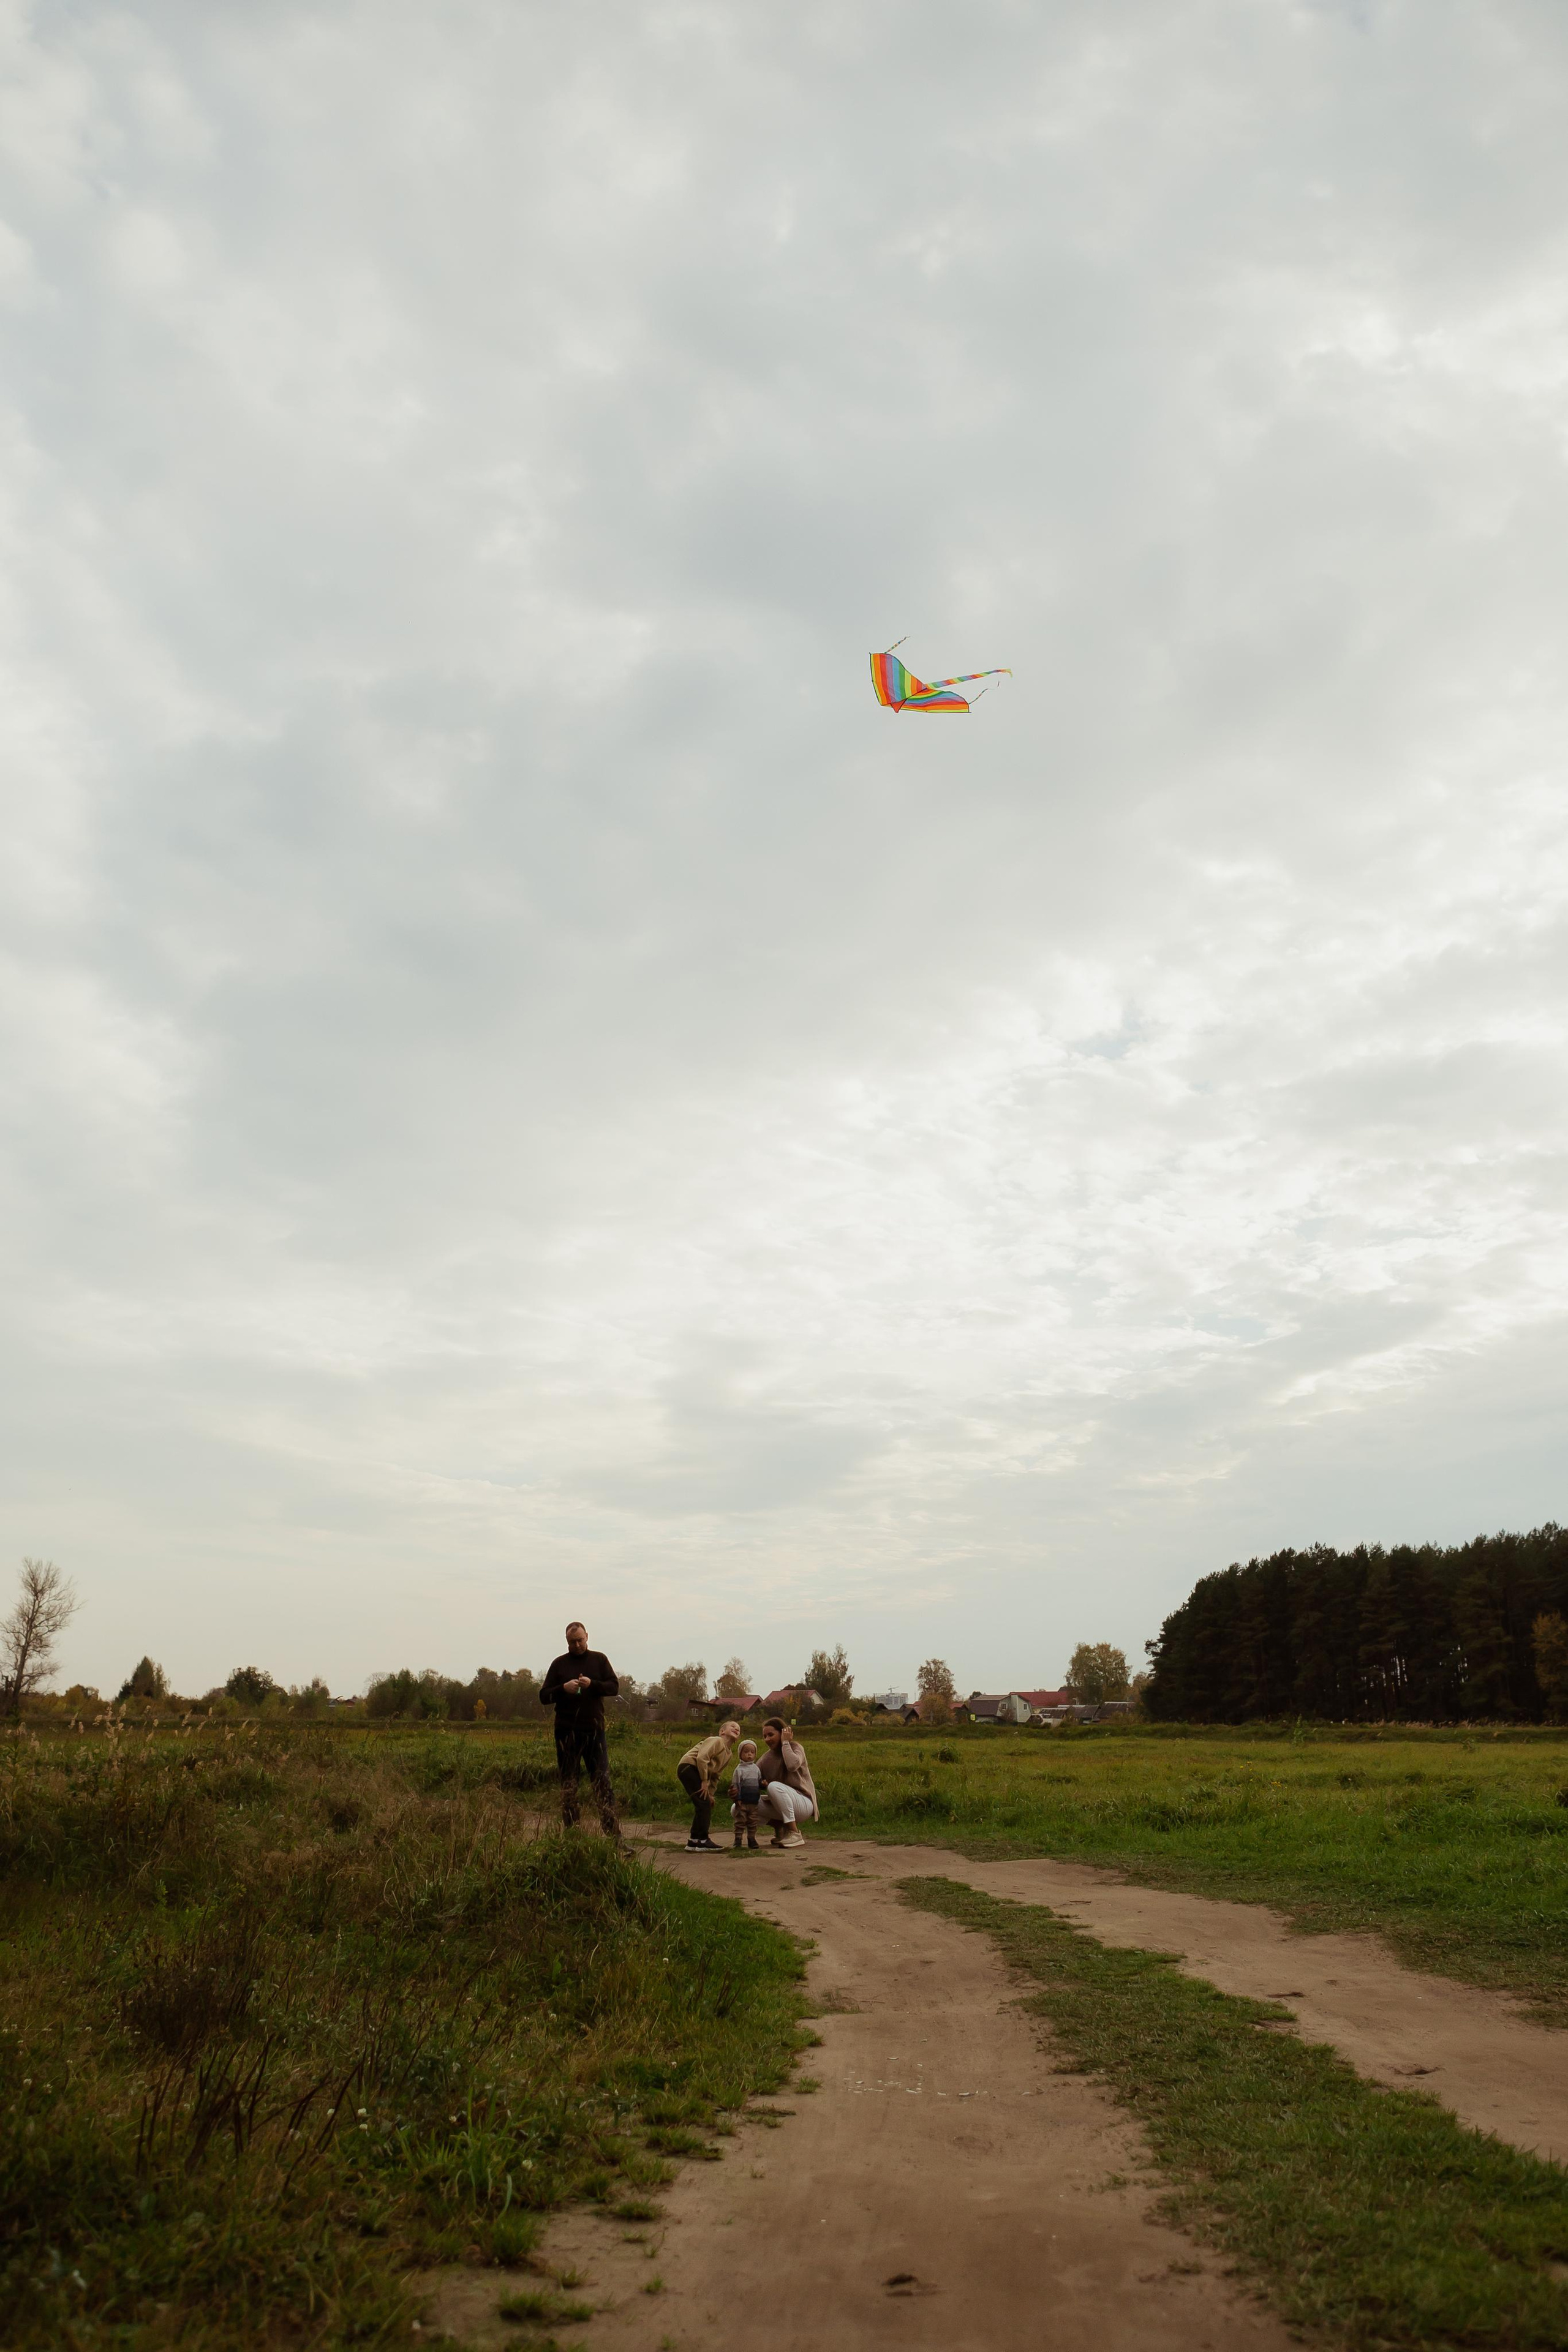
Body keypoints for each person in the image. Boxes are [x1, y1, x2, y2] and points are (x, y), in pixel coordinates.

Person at [539, 1622, 620, 1836]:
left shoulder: (599, 1659)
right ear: (567, 1642)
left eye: (580, 1640)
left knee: (602, 1783)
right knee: (569, 1785)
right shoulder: (559, 1664)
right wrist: (563, 1689)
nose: (577, 1645)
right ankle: (573, 1836)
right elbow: (544, 1696)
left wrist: (592, 1684)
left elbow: (614, 1687)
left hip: (594, 1732)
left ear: (587, 1637)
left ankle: (615, 1837)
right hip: (566, 1733)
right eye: (572, 1642)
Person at [676, 1719, 742, 1852]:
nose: (736, 1729)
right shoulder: (717, 1741)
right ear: (722, 1731)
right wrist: (704, 1781)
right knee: (703, 1804)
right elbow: (702, 1758)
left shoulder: (728, 1754)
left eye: (739, 1729)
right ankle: (703, 1841)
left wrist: (711, 1794)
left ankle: (694, 1842)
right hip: (689, 1767)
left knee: (703, 1804)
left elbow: (716, 1775)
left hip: (697, 1772)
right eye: (733, 1726)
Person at [757, 1714, 818, 1849]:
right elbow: (753, 1777)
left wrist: (786, 1743)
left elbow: (792, 1765)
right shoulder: (765, 1758)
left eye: (771, 1735)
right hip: (782, 1802)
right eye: (765, 1736)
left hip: (803, 1802)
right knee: (737, 1808)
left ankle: (794, 1833)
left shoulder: (796, 1748)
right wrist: (738, 1789)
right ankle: (779, 1827)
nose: (767, 1739)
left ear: (783, 1733)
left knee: (774, 1787)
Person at [728, 1740, 764, 1850]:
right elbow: (736, 1785)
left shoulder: (756, 1769)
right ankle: (738, 1839)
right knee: (740, 1820)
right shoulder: (739, 1770)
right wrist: (737, 1798)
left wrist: (763, 1784)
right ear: (740, 1754)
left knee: (753, 1821)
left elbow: (759, 1782)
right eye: (746, 1752)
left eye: (752, 1752)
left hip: (754, 1801)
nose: (749, 1754)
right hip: (742, 1801)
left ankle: (751, 1839)